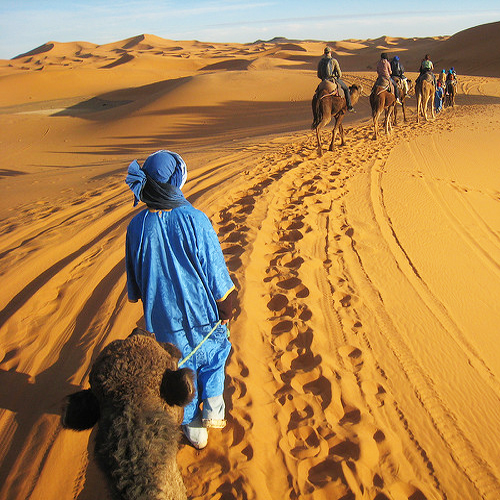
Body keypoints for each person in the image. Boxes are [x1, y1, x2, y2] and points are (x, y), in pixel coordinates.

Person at [125, 150, 236, 450]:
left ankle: (190, 424)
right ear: (174, 181)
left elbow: (134, 282)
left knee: (179, 369)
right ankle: (212, 412)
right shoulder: (196, 220)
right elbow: (216, 272)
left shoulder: (136, 228)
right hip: (204, 317)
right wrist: (227, 303)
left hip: (164, 322)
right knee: (214, 358)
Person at [317, 46, 354, 111]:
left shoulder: (320, 62)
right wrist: (337, 76)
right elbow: (339, 74)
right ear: (330, 52)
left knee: (317, 93)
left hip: (323, 81)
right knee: (346, 89)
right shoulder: (334, 61)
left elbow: (319, 75)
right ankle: (349, 106)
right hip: (333, 79)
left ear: (324, 53)